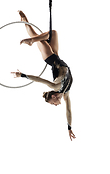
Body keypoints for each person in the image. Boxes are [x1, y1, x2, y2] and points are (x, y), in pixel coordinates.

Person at [11, 11, 76, 141]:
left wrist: (22, 75)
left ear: (53, 96)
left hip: (50, 58)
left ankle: (31, 39)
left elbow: (39, 79)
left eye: (53, 103)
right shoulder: (66, 93)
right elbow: (68, 111)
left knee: (41, 35)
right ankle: (25, 22)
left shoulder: (56, 86)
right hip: (56, 56)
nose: (56, 105)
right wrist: (69, 127)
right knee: (53, 33)